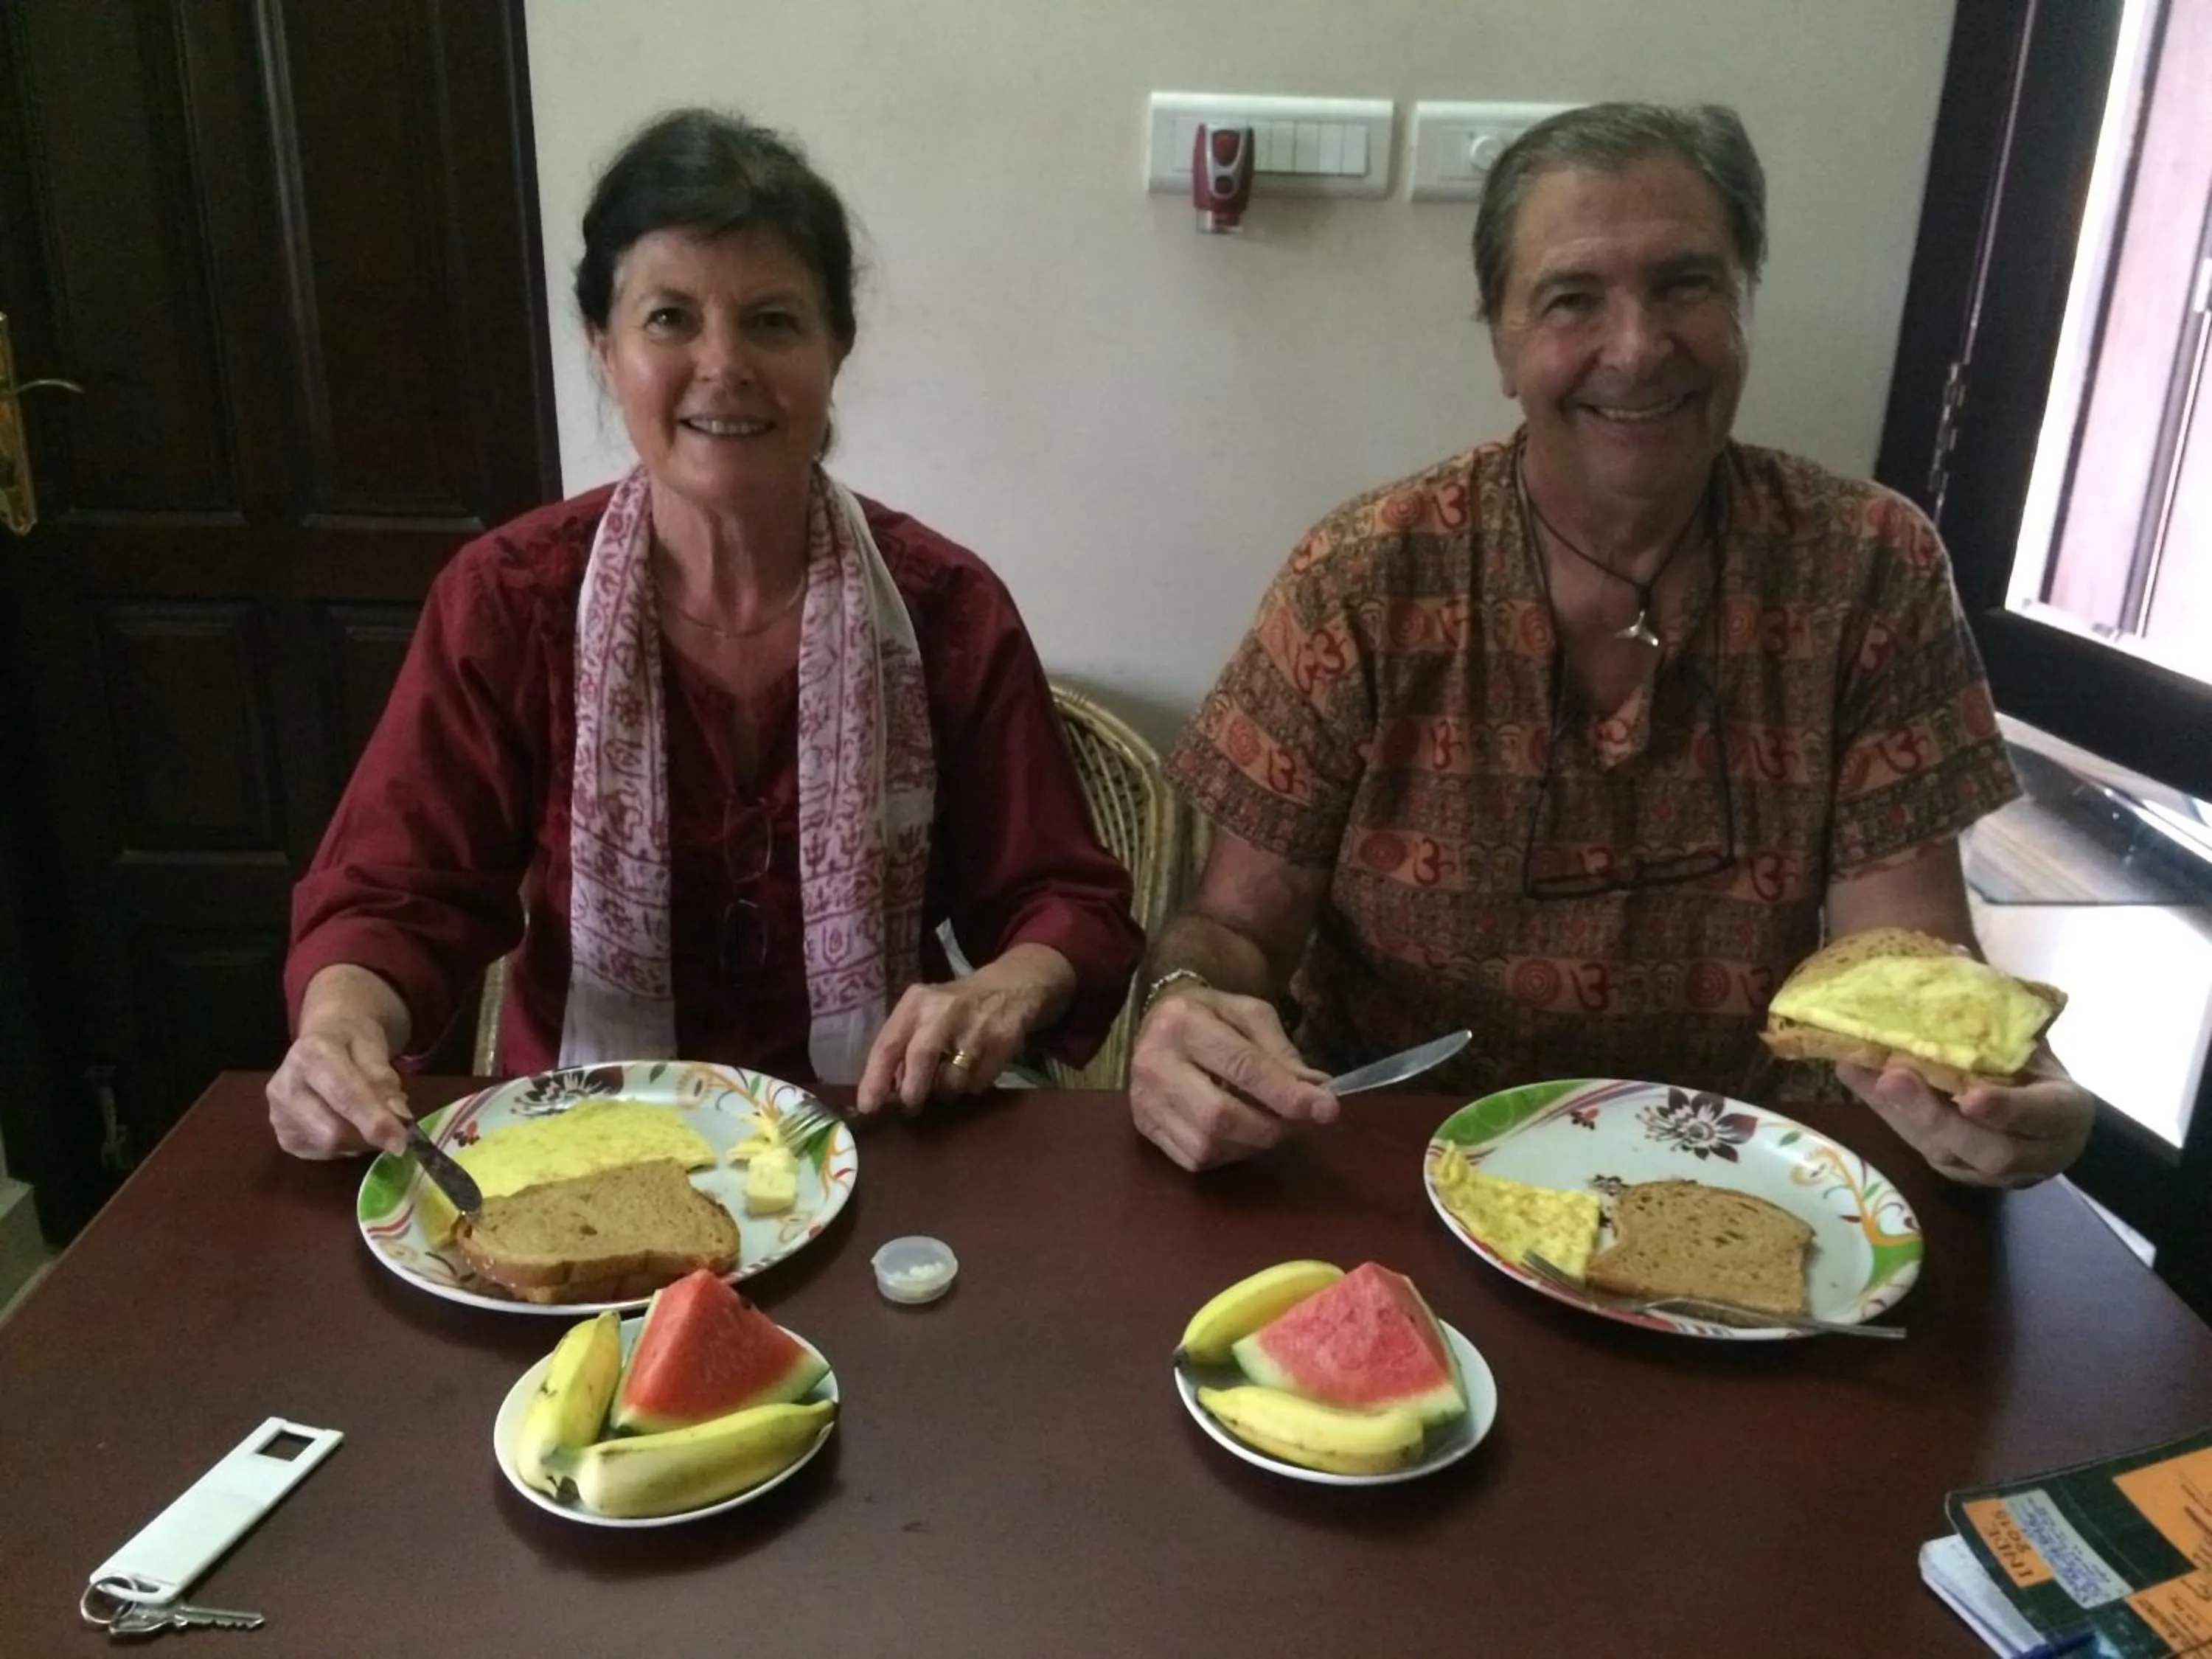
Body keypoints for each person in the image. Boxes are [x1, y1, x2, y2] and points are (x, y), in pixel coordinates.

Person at [1130, 102, 2096, 1188]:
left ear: (1744, 305)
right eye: (1572, 299)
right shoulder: (1360, 581)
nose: (1636, 349)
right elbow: (1233, 932)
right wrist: (1183, 1008)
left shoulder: (1872, 569)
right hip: (1392, 1162)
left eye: (1686, 284)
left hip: (1745, 1172)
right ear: (1501, 342)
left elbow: (1907, 964)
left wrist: (1983, 1091)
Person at [270, 108, 1143, 1158]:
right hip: (579, 1152)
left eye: (772, 321)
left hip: (879, 1138)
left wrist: (1006, 986)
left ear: (837, 348)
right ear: (603, 345)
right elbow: (395, 893)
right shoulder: (509, 602)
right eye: (670, 318)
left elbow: (1063, 900)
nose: (722, 365)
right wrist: (341, 1028)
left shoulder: (946, 609)